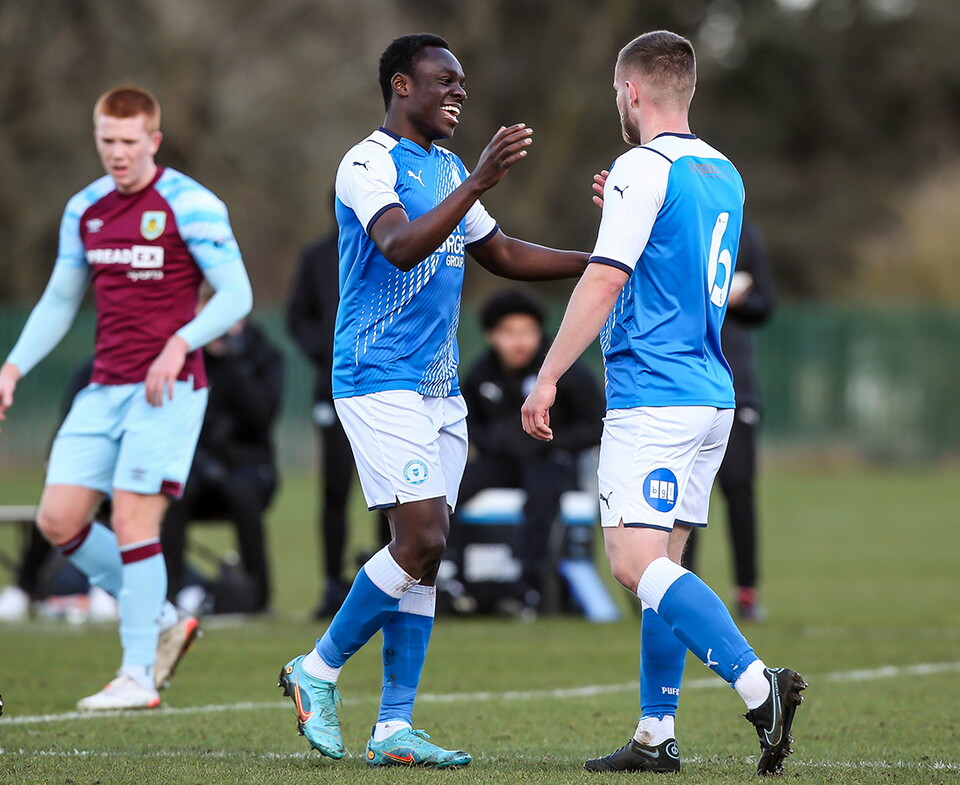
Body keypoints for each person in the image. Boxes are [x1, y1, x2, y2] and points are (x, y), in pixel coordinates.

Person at [277, 33, 588, 769]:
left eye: (462, 83)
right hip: (376, 378)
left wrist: (601, 263)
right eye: (444, 80)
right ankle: (316, 669)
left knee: (426, 553)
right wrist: (477, 183)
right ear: (400, 85)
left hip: (439, 392)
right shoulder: (367, 163)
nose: (459, 92)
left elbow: (500, 252)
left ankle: (394, 727)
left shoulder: (446, 168)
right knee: (420, 537)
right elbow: (399, 245)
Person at [521, 31, 806, 776]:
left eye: (616, 93)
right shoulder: (724, 171)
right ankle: (655, 733)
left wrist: (548, 375)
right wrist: (619, 209)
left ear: (632, 91)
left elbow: (605, 279)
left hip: (655, 394)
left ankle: (760, 686)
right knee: (666, 564)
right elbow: (671, 260)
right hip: (711, 394)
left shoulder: (640, 166)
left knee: (632, 562)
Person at [0, 85, 253, 710]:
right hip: (103, 387)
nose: (117, 152)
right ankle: (160, 615)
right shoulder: (84, 209)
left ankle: (137, 675)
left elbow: (237, 295)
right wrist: (13, 367)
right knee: (58, 520)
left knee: (133, 522)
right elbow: (59, 300)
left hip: (167, 391)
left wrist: (180, 342)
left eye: (128, 141)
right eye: (107, 140)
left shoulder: (192, 204)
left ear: (153, 141)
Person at [457, 288, 603, 614]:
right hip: (501, 462)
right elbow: (469, 423)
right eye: (509, 332)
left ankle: (532, 588)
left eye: (527, 331)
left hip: (552, 460)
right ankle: (448, 577)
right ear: (491, 335)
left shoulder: (566, 372)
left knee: (542, 495)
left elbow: (597, 424)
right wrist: (498, 441)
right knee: (450, 490)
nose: (519, 342)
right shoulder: (481, 374)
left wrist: (551, 441)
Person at [287, 223, 390, 620]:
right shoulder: (317, 256)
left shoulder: (398, 247)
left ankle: (390, 580)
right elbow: (298, 317)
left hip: (387, 385)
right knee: (335, 486)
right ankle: (333, 582)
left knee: (391, 489)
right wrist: (332, 351)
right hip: (332, 389)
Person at [683, 221, 775, 620]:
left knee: (739, 489)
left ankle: (747, 593)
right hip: (684, 386)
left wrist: (735, 300)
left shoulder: (745, 233)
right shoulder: (679, 222)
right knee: (682, 494)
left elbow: (764, 305)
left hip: (737, 388)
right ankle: (678, 589)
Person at [161, 315, 283, 614]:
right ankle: (169, 594)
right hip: (199, 464)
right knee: (175, 492)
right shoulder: (189, 358)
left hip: (249, 464)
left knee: (242, 493)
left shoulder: (265, 356)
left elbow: (262, 417)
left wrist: (232, 360)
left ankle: (258, 595)